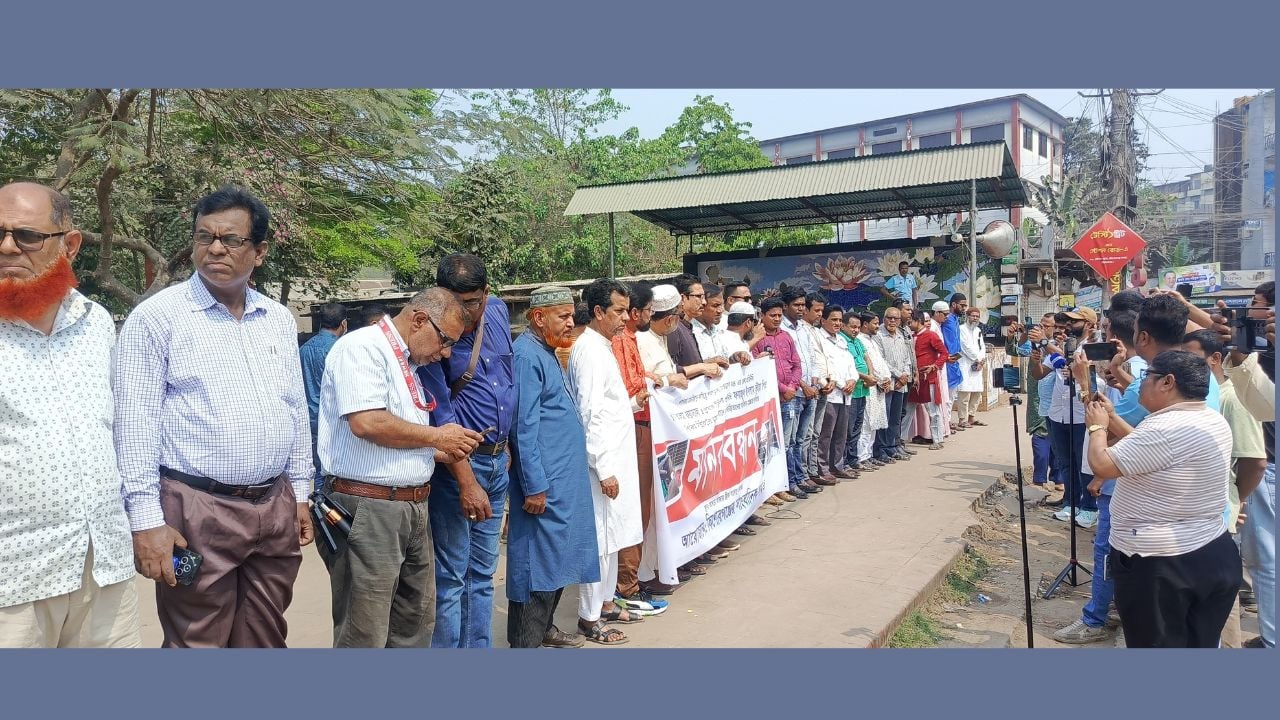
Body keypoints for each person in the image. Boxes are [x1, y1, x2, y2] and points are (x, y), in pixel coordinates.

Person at [114, 186, 314, 648]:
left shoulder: (278, 319)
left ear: (260, 252)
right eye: (204, 238)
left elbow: (294, 408)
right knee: (197, 641)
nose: (215, 249)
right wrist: (146, 520)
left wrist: (300, 492)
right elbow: (134, 428)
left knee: (266, 636)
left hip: (274, 504)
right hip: (196, 509)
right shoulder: (158, 319)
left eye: (231, 239)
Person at [0, 182, 140, 648]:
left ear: (70, 244)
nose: (6, 247)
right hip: (14, 577)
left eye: (26, 236)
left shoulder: (96, 322)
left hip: (104, 564)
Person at [317, 288, 481, 647]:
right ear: (420, 320)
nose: (446, 353)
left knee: (413, 625)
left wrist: (443, 449)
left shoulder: (408, 362)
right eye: (445, 341)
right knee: (365, 632)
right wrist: (438, 438)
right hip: (370, 508)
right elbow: (368, 423)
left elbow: (399, 441)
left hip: (410, 506)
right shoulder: (362, 348)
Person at [1085, 351, 1240, 648]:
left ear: (1167, 382)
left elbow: (1103, 465)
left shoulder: (1162, 430)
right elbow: (1151, 453)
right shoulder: (1209, 418)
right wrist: (1114, 417)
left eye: (1147, 376)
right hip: (1209, 550)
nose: (1140, 383)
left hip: (1162, 565)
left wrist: (1098, 427)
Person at [414, 254, 517, 649]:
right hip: (458, 468)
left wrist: (506, 445)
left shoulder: (498, 313)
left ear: (486, 294)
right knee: (452, 575)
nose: (464, 312)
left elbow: (505, 380)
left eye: (472, 303)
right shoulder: (432, 329)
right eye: (455, 302)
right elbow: (439, 413)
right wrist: (466, 479)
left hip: (496, 458)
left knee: (484, 573)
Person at [506, 286, 600, 648]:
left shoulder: (548, 352)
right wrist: (534, 485)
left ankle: (545, 628)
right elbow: (523, 427)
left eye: (572, 315)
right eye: (563, 316)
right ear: (538, 317)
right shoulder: (527, 356)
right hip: (545, 483)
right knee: (538, 564)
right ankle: (525, 644)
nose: (570, 323)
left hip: (565, 480)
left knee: (561, 557)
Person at [567, 279, 645, 644]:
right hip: (604, 465)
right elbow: (589, 414)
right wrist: (604, 468)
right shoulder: (589, 350)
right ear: (598, 312)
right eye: (618, 311)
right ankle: (589, 616)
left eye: (626, 311)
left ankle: (607, 602)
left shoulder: (603, 346)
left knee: (615, 536)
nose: (625, 318)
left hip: (615, 458)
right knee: (600, 540)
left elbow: (608, 405)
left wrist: (631, 405)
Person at [1184, 328, 1267, 647]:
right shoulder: (1202, 395)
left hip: (1219, 518)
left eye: (1192, 358)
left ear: (1216, 358)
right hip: (1199, 515)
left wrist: (1236, 500)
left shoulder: (1234, 398)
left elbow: (1254, 462)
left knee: (1219, 604)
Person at [1217, 280, 1275, 649]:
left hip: (1267, 470)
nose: (1249, 312)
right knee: (1260, 561)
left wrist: (1236, 497)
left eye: (1255, 303)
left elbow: (1261, 409)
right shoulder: (1260, 349)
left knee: (1266, 563)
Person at [610, 282, 675, 612]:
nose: (652, 315)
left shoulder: (631, 339)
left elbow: (637, 378)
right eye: (649, 310)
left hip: (643, 426)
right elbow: (630, 384)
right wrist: (660, 380)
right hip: (633, 427)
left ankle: (636, 578)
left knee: (645, 508)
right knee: (634, 509)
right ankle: (627, 586)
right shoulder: (619, 340)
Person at [1044, 307, 1100, 526]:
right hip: (1060, 411)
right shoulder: (1067, 345)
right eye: (1067, 321)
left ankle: (1088, 507)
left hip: (1082, 413)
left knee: (1083, 463)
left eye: (1074, 321)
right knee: (1065, 462)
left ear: (1088, 324)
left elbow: (1098, 384)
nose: (1068, 325)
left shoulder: (1095, 349)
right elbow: (1042, 371)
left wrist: (1079, 375)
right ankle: (1071, 502)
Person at [754, 297, 805, 502]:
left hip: (790, 398)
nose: (776, 319)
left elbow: (797, 364)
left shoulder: (787, 337)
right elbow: (760, 371)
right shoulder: (757, 339)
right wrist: (784, 388)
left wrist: (792, 387)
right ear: (763, 316)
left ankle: (784, 484)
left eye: (779, 315)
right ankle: (770, 489)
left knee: (789, 443)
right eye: (772, 315)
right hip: (770, 400)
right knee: (771, 445)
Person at [780, 289, 824, 497]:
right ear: (786, 306)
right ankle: (792, 480)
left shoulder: (804, 329)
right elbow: (789, 365)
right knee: (791, 440)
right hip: (794, 392)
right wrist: (804, 385)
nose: (800, 309)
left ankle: (802, 475)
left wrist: (814, 383)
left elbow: (811, 358)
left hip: (810, 391)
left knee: (805, 437)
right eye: (796, 305)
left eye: (802, 305)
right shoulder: (782, 330)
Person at [301, 303, 348, 490]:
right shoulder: (339, 350)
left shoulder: (304, 348)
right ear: (343, 324)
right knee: (330, 473)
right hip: (330, 420)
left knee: (317, 468)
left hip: (309, 419)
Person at [815, 305, 856, 482]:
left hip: (846, 394)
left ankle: (837, 465)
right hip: (831, 392)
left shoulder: (842, 340)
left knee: (841, 433)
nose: (838, 323)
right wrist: (841, 384)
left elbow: (850, 365)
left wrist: (853, 380)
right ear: (823, 320)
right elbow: (826, 367)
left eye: (840, 320)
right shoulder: (819, 338)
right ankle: (822, 468)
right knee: (826, 434)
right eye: (834, 319)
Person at [874, 306, 914, 462]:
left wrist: (904, 376)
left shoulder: (901, 335)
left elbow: (907, 359)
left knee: (896, 418)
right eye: (889, 318)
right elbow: (880, 360)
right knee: (885, 416)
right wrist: (898, 375)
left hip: (901, 384)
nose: (892, 321)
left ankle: (893, 446)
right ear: (884, 318)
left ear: (899, 321)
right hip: (888, 383)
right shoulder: (878, 336)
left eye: (895, 318)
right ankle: (882, 449)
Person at [907, 310, 948, 450]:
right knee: (908, 410)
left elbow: (944, 353)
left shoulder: (931, 335)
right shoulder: (910, 337)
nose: (908, 324)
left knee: (933, 411)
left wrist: (935, 366)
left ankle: (937, 439)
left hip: (928, 378)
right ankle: (899, 440)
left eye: (910, 322)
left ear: (917, 321)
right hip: (914, 379)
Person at [955, 307, 987, 429]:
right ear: (967, 316)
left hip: (978, 365)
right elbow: (965, 347)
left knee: (977, 392)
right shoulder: (961, 329)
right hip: (966, 364)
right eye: (972, 316)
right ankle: (962, 419)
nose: (975, 318)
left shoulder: (978, 330)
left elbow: (982, 346)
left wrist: (982, 360)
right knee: (965, 393)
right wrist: (978, 359)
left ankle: (972, 417)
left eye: (977, 316)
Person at [941, 294, 967, 431]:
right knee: (947, 395)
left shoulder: (956, 320)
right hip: (947, 362)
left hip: (955, 361)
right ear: (953, 305)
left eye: (965, 305)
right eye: (962, 305)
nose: (964, 308)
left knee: (952, 394)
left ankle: (949, 421)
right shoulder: (947, 320)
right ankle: (946, 423)